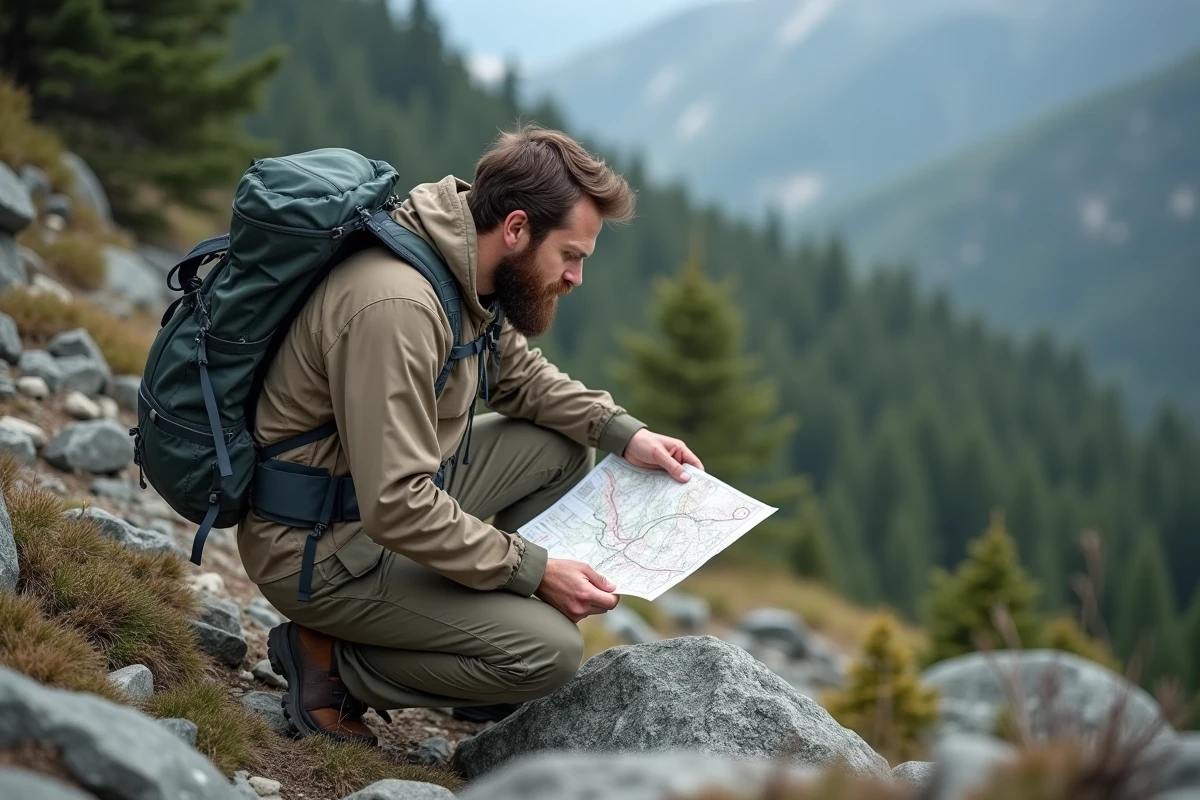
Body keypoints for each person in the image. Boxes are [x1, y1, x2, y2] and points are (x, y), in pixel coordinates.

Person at [238, 124, 703, 745]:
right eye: (571, 255)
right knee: (551, 655)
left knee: (562, 446)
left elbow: (519, 379)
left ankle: (463, 645)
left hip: (368, 505)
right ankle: (332, 661)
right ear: (515, 229)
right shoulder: (398, 308)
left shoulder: (461, 267)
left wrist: (625, 433)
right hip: (320, 551)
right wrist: (533, 571)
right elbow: (398, 504)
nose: (575, 278)